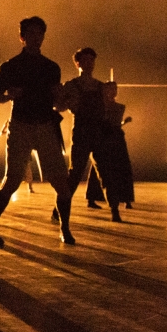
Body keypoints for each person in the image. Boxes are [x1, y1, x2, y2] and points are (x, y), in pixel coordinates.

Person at [0, 16, 75, 244]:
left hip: (46, 125)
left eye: (40, 34)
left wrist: (62, 99)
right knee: (12, 181)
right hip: (22, 126)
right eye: (32, 34)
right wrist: (8, 95)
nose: (36, 38)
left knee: (61, 184)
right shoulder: (11, 66)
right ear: (22, 37)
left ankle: (65, 228)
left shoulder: (51, 68)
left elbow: (58, 102)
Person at [61, 47, 122, 222]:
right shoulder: (72, 86)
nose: (90, 64)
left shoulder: (100, 86)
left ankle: (115, 211)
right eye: (86, 60)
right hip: (81, 133)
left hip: (98, 132)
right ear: (77, 63)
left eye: (92, 61)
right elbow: (60, 106)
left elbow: (107, 110)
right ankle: (60, 209)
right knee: (75, 174)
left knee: (107, 173)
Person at [93, 81, 135, 215]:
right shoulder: (99, 107)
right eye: (111, 89)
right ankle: (97, 199)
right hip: (103, 140)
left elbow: (115, 125)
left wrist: (123, 123)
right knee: (102, 170)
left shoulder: (119, 107)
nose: (113, 92)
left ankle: (124, 199)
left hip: (116, 139)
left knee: (123, 168)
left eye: (115, 89)